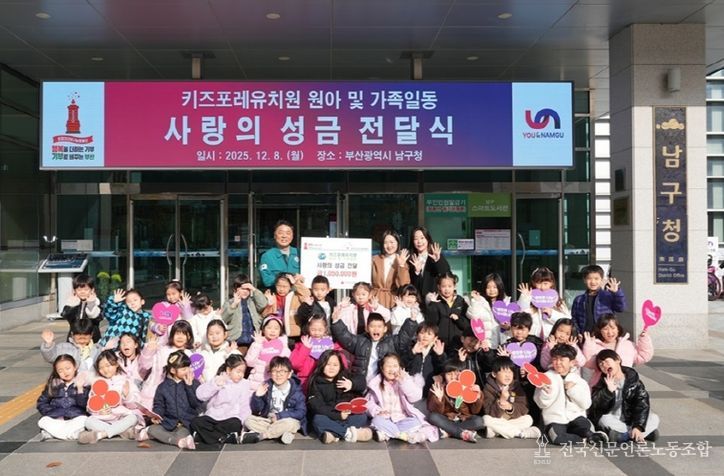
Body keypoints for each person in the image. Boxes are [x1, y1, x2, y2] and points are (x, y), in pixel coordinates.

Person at [533, 344, 608, 446]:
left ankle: (592, 435)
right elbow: (541, 404)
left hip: (576, 417)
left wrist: (573, 390)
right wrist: (546, 393)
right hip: (555, 419)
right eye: (555, 359)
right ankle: (584, 440)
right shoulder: (545, 378)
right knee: (557, 438)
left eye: (562, 359)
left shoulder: (579, 380)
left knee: (586, 430)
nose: (558, 363)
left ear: (572, 362)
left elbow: (586, 404)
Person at [332, 311, 417, 389]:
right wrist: (336, 322)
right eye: (372, 326)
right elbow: (346, 338)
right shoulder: (360, 341)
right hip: (362, 383)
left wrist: (412, 320)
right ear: (367, 328)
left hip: (383, 385)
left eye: (379, 326)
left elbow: (404, 337)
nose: (376, 329)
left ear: (385, 329)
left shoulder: (391, 342)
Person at [589, 349, 660, 443]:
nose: (604, 365)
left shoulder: (635, 382)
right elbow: (596, 407)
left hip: (630, 419)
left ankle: (625, 436)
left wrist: (638, 426)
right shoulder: (601, 383)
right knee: (604, 419)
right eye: (601, 364)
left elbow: (642, 405)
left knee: (654, 418)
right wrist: (608, 392)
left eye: (606, 361)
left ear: (617, 360)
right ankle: (641, 435)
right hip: (614, 419)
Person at [366, 353, 438, 444]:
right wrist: (377, 411)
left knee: (416, 422)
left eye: (395, 366)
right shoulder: (376, 384)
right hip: (386, 419)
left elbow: (415, 397)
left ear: (400, 368)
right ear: (382, 368)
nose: (392, 369)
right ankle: (402, 436)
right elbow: (368, 403)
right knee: (376, 421)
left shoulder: (406, 379)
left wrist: (403, 382)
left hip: (403, 418)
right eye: (388, 366)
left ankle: (388, 433)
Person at [307, 350, 372, 444]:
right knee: (317, 420)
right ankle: (348, 434)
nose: (332, 368)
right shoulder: (316, 382)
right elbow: (317, 407)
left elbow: (362, 381)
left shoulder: (345, 376)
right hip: (329, 417)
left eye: (335, 365)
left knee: (362, 417)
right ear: (322, 365)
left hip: (347, 417)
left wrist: (352, 384)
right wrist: (338, 415)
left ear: (340, 366)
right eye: (328, 364)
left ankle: (334, 434)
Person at [78, 350, 142, 444]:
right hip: (103, 419)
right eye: (101, 368)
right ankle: (121, 432)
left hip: (120, 417)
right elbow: (90, 405)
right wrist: (98, 411)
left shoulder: (126, 381)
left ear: (116, 364)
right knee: (88, 421)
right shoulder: (97, 383)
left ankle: (100, 435)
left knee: (133, 418)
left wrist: (127, 395)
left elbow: (135, 405)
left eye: (108, 366)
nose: (105, 370)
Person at [191, 354, 253, 446]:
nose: (241, 375)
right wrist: (215, 385)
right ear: (228, 370)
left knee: (235, 423)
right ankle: (224, 438)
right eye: (238, 371)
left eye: (243, 372)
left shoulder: (244, 384)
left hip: (230, 419)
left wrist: (243, 424)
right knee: (196, 422)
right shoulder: (218, 379)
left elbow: (245, 406)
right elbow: (200, 395)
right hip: (213, 418)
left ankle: (204, 437)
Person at [143, 351, 201, 450]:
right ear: (173, 370)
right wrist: (156, 416)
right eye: (183, 369)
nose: (187, 371)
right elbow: (159, 405)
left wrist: (189, 386)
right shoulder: (163, 387)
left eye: (188, 367)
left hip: (186, 424)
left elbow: (196, 404)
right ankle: (178, 441)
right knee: (152, 429)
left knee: (182, 433)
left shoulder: (194, 383)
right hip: (168, 423)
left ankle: (171, 439)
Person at [246, 356, 307, 444]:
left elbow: (301, 412)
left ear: (289, 374)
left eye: (282, 371)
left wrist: (279, 416)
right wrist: (257, 396)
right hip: (269, 420)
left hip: (286, 419)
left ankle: (264, 435)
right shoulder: (266, 386)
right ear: (270, 373)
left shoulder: (296, 391)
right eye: (274, 371)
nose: (278, 375)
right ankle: (281, 434)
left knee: (292, 424)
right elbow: (257, 410)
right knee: (248, 421)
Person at [582, 314, 653, 387]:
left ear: (618, 329)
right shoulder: (595, 346)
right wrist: (589, 346)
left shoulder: (627, 345)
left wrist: (644, 339)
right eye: (605, 329)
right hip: (602, 386)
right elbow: (588, 363)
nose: (610, 332)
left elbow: (643, 356)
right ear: (600, 331)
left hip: (625, 385)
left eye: (613, 328)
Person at [138, 320, 194, 408]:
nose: (180, 337)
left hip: (178, 397)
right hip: (154, 393)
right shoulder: (162, 350)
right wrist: (149, 350)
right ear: (172, 335)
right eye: (177, 333)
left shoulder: (191, 355)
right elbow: (145, 366)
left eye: (183, 334)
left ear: (189, 336)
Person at [482, 356, 540, 439]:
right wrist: (501, 401)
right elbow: (489, 412)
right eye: (504, 372)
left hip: (512, 419)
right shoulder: (488, 388)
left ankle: (495, 431)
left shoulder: (516, 386)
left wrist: (510, 407)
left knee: (528, 419)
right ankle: (520, 433)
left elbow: (524, 408)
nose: (508, 376)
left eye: (510, 372)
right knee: (485, 419)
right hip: (498, 419)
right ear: (494, 374)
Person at [36, 354, 90, 441]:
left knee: (85, 419)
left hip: (75, 417)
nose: (65, 372)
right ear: (56, 372)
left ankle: (55, 434)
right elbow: (41, 402)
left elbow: (84, 404)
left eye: (68, 368)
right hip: (57, 419)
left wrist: (80, 389)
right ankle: (71, 435)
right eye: (60, 371)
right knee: (43, 421)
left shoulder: (83, 383)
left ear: (75, 367)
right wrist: (51, 411)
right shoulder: (53, 385)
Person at [427, 360, 484, 442]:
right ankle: (461, 433)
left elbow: (475, 411)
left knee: (479, 421)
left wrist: (478, 398)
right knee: (433, 417)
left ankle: (449, 431)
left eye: (456, 374)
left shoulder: (469, 387)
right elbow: (435, 411)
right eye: (449, 374)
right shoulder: (438, 387)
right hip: (447, 419)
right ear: (444, 375)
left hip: (464, 419)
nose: (453, 377)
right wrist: (439, 399)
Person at [290, 314, 345, 391]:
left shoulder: (331, 345)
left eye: (320, 330)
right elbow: (295, 364)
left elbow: (343, 365)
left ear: (325, 329)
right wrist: (305, 348)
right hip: (306, 381)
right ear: (308, 328)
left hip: (328, 381)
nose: (316, 332)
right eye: (313, 329)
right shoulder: (301, 345)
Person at [571, 265, 626, 334]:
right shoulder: (579, 300)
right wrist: (578, 332)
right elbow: (575, 318)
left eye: (596, 279)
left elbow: (621, 308)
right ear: (584, 280)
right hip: (586, 336)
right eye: (589, 279)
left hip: (604, 335)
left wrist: (617, 293)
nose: (593, 282)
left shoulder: (607, 296)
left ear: (601, 280)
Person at [220, 274, 266, 353]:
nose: (245, 291)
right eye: (242, 289)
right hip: (237, 342)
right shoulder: (229, 302)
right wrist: (234, 305)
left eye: (248, 289)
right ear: (236, 289)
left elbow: (263, 304)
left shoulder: (253, 301)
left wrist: (254, 289)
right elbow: (223, 318)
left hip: (254, 340)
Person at [521, 268, 570, 340]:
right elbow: (520, 316)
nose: (542, 287)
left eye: (545, 283)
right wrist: (525, 298)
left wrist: (551, 314)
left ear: (551, 283)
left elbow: (567, 320)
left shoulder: (557, 300)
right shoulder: (528, 296)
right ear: (533, 283)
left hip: (552, 339)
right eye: (539, 283)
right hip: (532, 339)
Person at [408, 226, 450, 308]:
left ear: (428, 239)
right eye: (416, 239)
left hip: (434, 301)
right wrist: (417, 272)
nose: (419, 241)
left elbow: (446, 274)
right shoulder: (411, 259)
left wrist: (438, 260)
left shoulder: (435, 255)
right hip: (417, 303)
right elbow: (411, 284)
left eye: (422, 238)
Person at [245, 316, 291, 391]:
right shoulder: (257, 343)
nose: (272, 331)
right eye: (269, 328)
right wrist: (257, 344)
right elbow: (249, 362)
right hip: (257, 381)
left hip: (276, 380)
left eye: (276, 328)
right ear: (263, 329)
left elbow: (285, 362)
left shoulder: (283, 344)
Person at [401, 323, 446, 397]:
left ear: (435, 338)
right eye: (422, 333)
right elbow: (402, 366)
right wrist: (412, 352)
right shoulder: (410, 348)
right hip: (411, 393)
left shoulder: (437, 351)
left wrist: (440, 356)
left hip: (430, 393)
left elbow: (443, 371)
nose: (425, 336)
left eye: (429, 334)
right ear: (417, 335)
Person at [425, 272, 470, 347]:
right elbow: (431, 324)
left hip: (459, 343)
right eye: (443, 286)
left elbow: (467, 325)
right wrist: (432, 304)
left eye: (450, 286)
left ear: (455, 286)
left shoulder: (461, 301)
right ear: (439, 287)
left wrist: (458, 319)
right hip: (440, 344)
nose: (447, 289)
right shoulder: (435, 302)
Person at [371, 230, 411, 309]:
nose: (389, 246)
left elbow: (403, 285)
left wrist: (401, 265)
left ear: (397, 243)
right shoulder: (375, 259)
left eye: (392, 242)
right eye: (385, 243)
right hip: (376, 300)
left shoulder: (402, 260)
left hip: (394, 302)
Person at [263, 273, 310, 339]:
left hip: (292, 333)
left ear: (290, 287)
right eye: (279, 286)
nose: (281, 289)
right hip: (276, 334)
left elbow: (307, 293)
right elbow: (264, 315)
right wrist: (269, 305)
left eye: (285, 286)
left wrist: (295, 282)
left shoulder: (296, 296)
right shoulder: (272, 296)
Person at [259, 220, 301, 289]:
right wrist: (286, 280)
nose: (284, 236)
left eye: (288, 233)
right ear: (275, 236)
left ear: (292, 236)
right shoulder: (267, 256)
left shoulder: (300, 253)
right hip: (277, 293)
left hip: (298, 293)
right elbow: (267, 280)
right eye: (280, 233)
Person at [61, 273, 102, 343]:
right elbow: (65, 315)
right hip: (74, 338)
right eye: (79, 290)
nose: (82, 292)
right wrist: (71, 305)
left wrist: (91, 305)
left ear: (92, 290)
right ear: (74, 290)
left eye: (86, 289)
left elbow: (98, 318)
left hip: (92, 338)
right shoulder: (72, 302)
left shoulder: (97, 302)